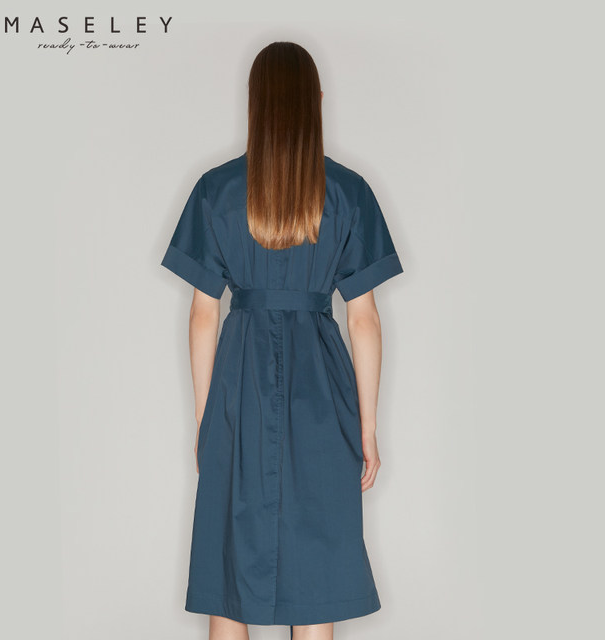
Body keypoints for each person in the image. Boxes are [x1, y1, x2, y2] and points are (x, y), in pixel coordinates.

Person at [161, 41, 404, 640]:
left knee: (228, 570)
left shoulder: (216, 189)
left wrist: (206, 421)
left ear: (256, 103)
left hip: (237, 383)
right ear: (315, 102)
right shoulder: (349, 191)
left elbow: (201, 315)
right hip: (321, 385)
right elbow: (365, 319)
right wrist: (368, 427)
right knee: (315, 573)